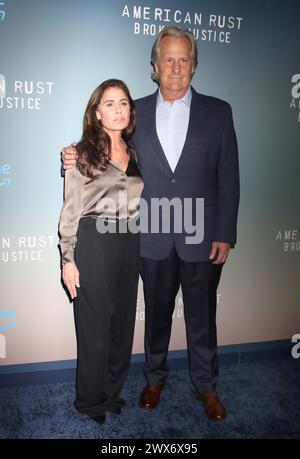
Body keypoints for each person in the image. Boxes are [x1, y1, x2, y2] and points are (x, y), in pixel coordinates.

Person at [62, 27, 239, 422]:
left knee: (202, 316)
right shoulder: (132, 112)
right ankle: (154, 379)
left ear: (194, 65)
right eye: (167, 59)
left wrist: (225, 232)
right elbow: (103, 148)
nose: (175, 67)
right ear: (155, 67)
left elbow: (229, 175)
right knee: (155, 316)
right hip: (151, 236)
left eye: (183, 59)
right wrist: (71, 152)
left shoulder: (219, 111)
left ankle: (207, 387)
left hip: (201, 235)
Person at [58, 79, 143, 425]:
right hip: (95, 240)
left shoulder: (134, 153)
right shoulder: (81, 153)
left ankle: (111, 393)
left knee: (122, 323)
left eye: (123, 103)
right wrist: (68, 259)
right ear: (96, 112)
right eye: (109, 104)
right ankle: (90, 401)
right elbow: (71, 208)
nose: (118, 110)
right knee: (94, 325)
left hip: (130, 240)